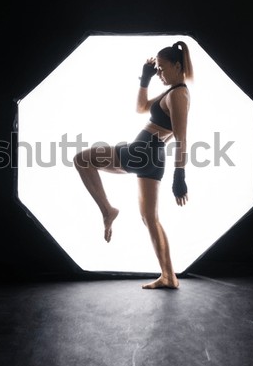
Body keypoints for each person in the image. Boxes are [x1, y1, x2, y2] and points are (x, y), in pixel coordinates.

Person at [74, 41, 194, 289]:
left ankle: (108, 210)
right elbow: (141, 108)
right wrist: (145, 78)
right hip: (152, 158)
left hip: (142, 152)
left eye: (161, 68)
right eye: (156, 69)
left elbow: (182, 138)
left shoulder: (178, 95)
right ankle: (169, 276)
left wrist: (179, 175)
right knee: (150, 218)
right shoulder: (170, 92)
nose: (159, 72)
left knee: (82, 159)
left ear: (177, 65)